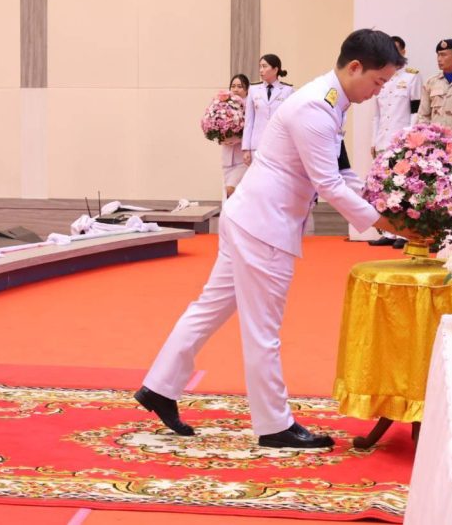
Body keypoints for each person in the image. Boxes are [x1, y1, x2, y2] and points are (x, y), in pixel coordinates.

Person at [134, 29, 420, 449]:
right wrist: (390, 225)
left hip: (253, 216)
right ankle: (273, 425)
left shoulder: (329, 100)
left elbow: (341, 173)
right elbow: (329, 185)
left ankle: (159, 387)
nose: (378, 92)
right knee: (262, 329)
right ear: (356, 67)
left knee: (208, 309)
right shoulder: (316, 108)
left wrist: (389, 204)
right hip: (264, 226)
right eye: (378, 82)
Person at [368, 35, 422, 248]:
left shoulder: (411, 77)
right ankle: (389, 232)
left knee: (404, 188)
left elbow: (416, 111)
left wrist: (409, 139)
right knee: (385, 188)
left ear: (403, 52)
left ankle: (405, 234)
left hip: (402, 142)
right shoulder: (382, 78)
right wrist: (374, 140)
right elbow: (377, 115)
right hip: (383, 141)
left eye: (396, 50)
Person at [241, 54, 293, 166]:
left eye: (264, 66)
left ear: (275, 69)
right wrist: (246, 148)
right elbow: (249, 121)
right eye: (260, 66)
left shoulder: (288, 90)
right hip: (257, 144)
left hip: (279, 144)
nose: (261, 70)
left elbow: (290, 121)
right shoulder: (253, 89)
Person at [222, 74, 250, 198]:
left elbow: (253, 130)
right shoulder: (224, 106)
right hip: (227, 156)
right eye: (233, 86)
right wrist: (221, 138)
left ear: (246, 89)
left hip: (242, 157)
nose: (235, 89)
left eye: (239, 86)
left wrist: (238, 139)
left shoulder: (250, 106)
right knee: (227, 193)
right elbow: (216, 127)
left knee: (231, 189)